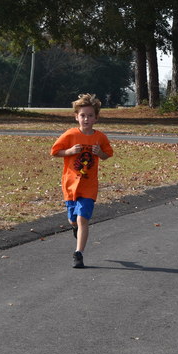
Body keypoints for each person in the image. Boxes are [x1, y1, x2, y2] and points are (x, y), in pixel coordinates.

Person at [50, 93, 113, 268]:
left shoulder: (99, 137)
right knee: (73, 219)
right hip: (70, 185)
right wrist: (69, 151)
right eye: (83, 115)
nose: (86, 119)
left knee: (82, 219)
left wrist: (99, 153)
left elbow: (108, 154)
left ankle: (79, 254)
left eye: (90, 115)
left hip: (89, 186)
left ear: (96, 118)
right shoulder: (70, 135)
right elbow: (54, 151)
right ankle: (76, 228)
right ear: (76, 117)